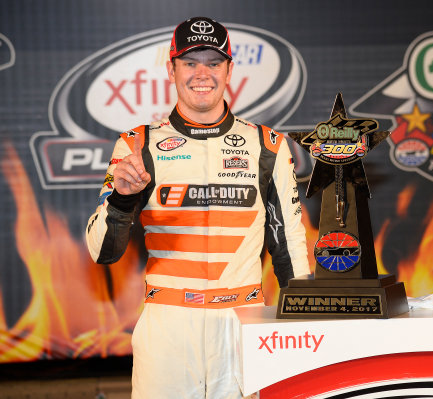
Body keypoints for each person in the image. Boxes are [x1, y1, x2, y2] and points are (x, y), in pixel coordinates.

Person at [85, 16, 310, 399]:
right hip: (168, 330)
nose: (201, 73)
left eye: (213, 62)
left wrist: (306, 329)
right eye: (190, 62)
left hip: (244, 324)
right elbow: (103, 252)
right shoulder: (137, 145)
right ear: (171, 68)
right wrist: (122, 199)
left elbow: (289, 245)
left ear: (229, 69)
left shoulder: (269, 145)